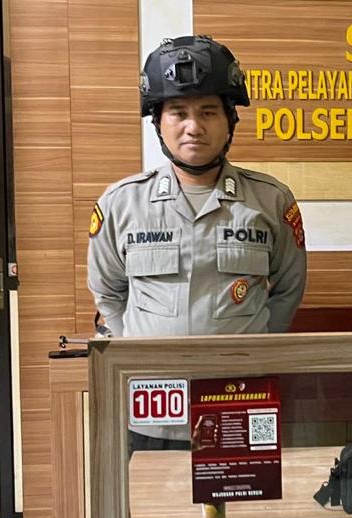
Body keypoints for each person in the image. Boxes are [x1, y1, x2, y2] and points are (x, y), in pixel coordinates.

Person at [87, 36, 308, 450]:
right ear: (158, 123)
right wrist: (140, 351)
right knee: (150, 493)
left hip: (240, 397)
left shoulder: (270, 201)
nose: (193, 126)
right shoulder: (121, 204)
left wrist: (254, 348)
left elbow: (288, 290)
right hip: (151, 406)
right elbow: (108, 292)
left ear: (229, 121)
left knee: (243, 492)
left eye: (208, 112)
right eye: (178, 113)